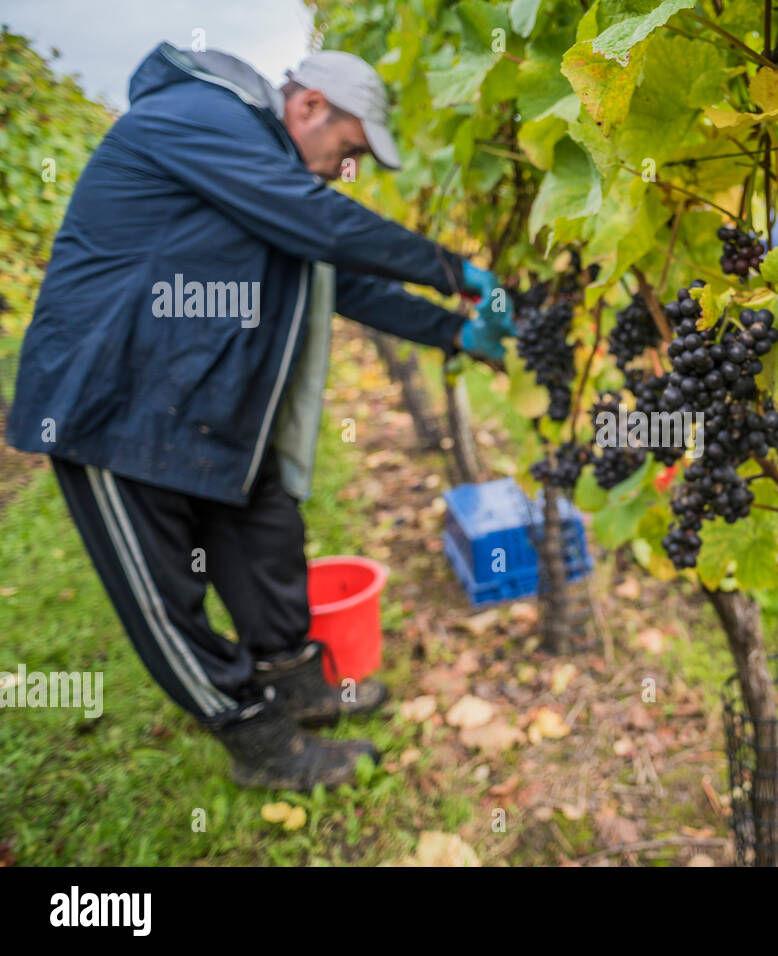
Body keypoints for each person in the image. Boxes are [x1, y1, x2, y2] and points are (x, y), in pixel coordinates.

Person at [5, 43, 515, 791]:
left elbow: (329, 276)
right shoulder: (202, 114)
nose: (343, 173)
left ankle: (294, 681)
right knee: (164, 596)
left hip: (203, 401)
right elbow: (322, 226)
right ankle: (256, 738)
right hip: (110, 400)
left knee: (265, 530)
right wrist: (453, 270)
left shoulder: (268, 173)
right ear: (309, 106)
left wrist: (453, 330)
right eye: (345, 152)